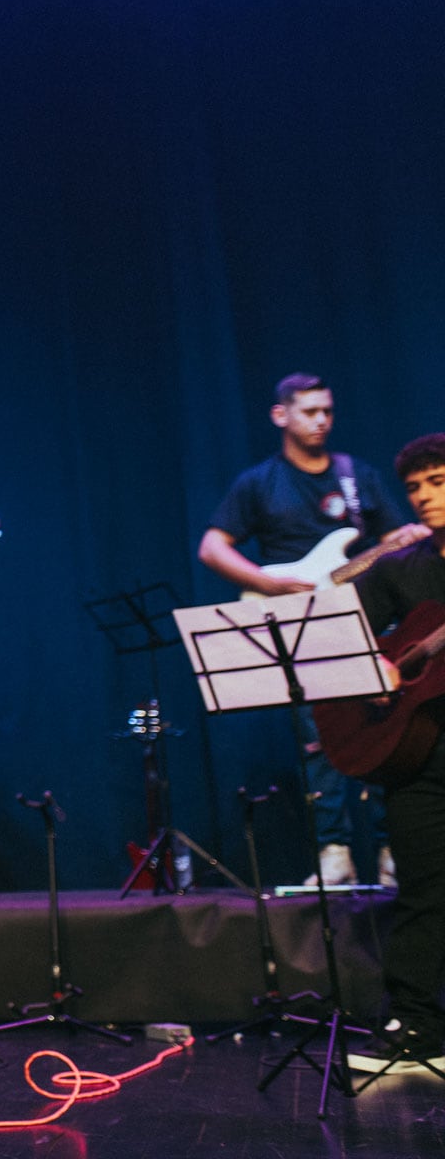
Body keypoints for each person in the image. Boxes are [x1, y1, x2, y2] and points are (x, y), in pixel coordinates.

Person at [198, 372, 419, 885]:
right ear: (282, 415)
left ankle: (393, 850)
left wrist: (402, 541)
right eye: (310, 411)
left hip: (364, 617)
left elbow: (394, 542)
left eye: (328, 411)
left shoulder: (355, 476)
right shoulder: (259, 482)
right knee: (317, 740)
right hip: (299, 624)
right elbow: (212, 547)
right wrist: (267, 583)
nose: (322, 421)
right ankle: (334, 853)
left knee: (385, 730)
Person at [347, 433, 445, 1075]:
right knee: (423, 891)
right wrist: (375, 671)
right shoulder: (400, 569)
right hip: (419, 754)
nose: (424, 496)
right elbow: (340, 639)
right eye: (414, 487)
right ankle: (418, 1027)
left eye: (438, 481)